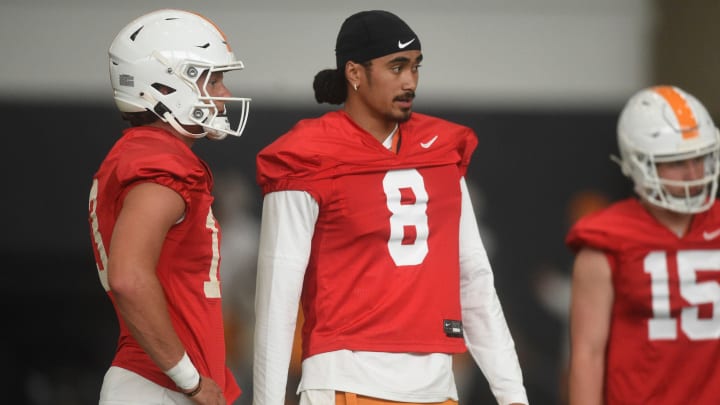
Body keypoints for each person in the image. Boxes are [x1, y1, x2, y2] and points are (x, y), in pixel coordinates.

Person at [253, 10, 528, 405]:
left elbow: (475, 280)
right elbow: (277, 297)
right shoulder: (307, 156)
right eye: (396, 67)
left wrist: (513, 397)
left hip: (437, 384)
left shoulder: (443, 150)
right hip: (347, 378)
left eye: (415, 67)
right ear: (354, 73)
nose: (409, 81)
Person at [88, 8, 251, 405]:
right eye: (213, 79)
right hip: (158, 384)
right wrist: (189, 379)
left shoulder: (142, 153)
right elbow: (128, 277)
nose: (225, 93)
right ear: (164, 86)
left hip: (158, 382)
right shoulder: (160, 160)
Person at [566, 85, 720, 404]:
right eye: (677, 162)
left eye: (700, 158)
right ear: (639, 164)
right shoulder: (607, 237)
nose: (694, 173)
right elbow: (587, 354)